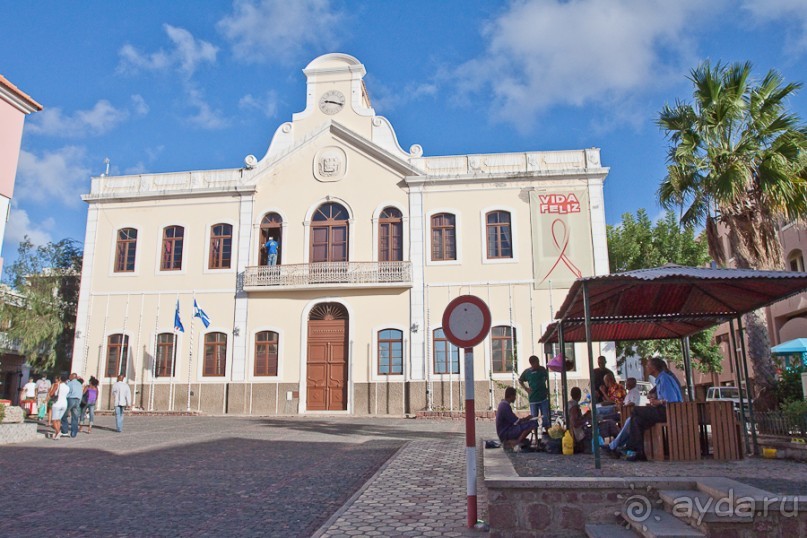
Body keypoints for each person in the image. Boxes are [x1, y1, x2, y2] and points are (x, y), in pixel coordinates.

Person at [603, 358, 683, 461]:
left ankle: (627, 448)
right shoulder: (660, 379)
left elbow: (671, 400)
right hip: (665, 411)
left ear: (654, 368)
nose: (646, 367)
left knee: (635, 411)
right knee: (636, 420)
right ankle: (638, 453)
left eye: (648, 365)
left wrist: (657, 402)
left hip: (668, 412)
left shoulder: (664, 378)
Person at [518, 355, 551, 432]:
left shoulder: (542, 369)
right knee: (534, 420)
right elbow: (520, 380)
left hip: (543, 399)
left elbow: (546, 377)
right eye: (536, 363)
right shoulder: (527, 372)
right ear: (532, 364)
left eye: (538, 362)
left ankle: (547, 434)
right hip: (533, 400)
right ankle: (536, 438)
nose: (538, 364)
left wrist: (544, 386)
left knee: (546, 418)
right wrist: (526, 389)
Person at [61, 373, 83, 438]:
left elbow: (67, 392)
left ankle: (65, 431)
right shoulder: (79, 384)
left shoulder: (70, 383)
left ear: (72, 377)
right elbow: (81, 393)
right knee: (75, 417)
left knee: (64, 415)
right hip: (78, 400)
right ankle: (73, 433)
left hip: (71, 399)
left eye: (70, 376)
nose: (69, 377)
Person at [49, 376, 69, 440]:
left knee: (54, 420)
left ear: (60, 379)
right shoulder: (67, 387)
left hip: (57, 403)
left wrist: (50, 392)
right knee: (58, 419)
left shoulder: (57, 385)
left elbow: (51, 394)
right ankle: (57, 433)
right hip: (64, 404)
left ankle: (58, 432)